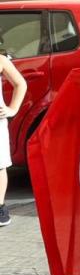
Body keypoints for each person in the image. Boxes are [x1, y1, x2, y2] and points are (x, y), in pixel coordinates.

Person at [0, 51, 28, 228]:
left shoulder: (1, 60)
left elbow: (20, 84)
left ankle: (0, 206)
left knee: (0, 165)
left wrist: (13, 109)